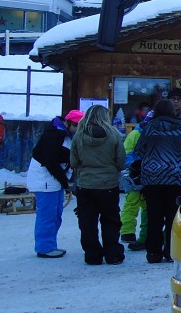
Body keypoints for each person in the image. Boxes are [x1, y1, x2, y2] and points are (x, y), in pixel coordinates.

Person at [70, 105, 126, 266]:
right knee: (111, 220)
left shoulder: (79, 136)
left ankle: (92, 255)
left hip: (85, 185)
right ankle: (113, 254)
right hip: (108, 184)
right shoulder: (114, 135)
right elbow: (121, 161)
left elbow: (73, 162)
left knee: (87, 222)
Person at [138, 97, 181, 264]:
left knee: (154, 216)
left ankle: (153, 252)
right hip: (175, 177)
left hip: (152, 178)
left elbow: (140, 149)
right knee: (173, 216)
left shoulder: (149, 127)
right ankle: (170, 251)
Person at [28, 109, 81, 259]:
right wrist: (65, 182)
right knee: (47, 215)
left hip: (53, 180)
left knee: (56, 214)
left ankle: (49, 244)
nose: (78, 130)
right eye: (77, 126)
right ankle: (44, 247)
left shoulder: (63, 134)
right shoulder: (53, 135)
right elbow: (50, 161)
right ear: (69, 123)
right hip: (45, 180)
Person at [119, 111, 151, 251]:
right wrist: (135, 167)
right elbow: (127, 153)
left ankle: (142, 234)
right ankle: (127, 232)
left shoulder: (148, 133)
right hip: (135, 175)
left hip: (148, 174)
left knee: (146, 207)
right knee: (132, 202)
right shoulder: (136, 134)